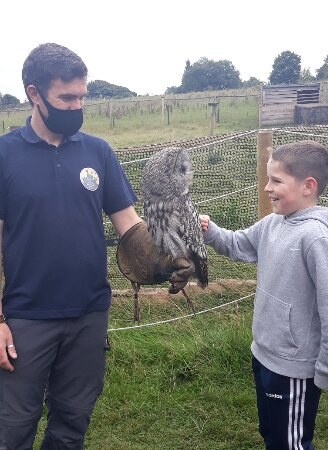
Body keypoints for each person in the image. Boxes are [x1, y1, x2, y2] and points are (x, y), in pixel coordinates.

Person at [0, 43, 193, 449]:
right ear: (34, 94)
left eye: (82, 97)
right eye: (66, 98)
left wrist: (163, 257)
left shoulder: (98, 152)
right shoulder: (4, 155)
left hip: (89, 311)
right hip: (25, 316)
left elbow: (129, 226)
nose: (77, 105)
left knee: (72, 421)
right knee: (13, 426)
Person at [200, 140, 328, 450]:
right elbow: (237, 245)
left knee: (292, 443)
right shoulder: (272, 224)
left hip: (294, 367)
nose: (266, 188)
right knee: (274, 434)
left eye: (276, 180)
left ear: (308, 186)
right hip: (264, 355)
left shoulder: (316, 238)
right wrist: (210, 231)